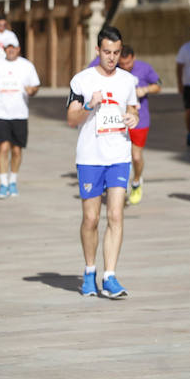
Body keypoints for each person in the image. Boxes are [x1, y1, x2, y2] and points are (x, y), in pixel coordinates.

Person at [66, 26, 140, 299]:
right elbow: (71, 119)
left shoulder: (128, 80)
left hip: (119, 155)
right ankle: (89, 271)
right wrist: (88, 105)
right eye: (107, 52)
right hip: (90, 157)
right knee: (91, 218)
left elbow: (132, 109)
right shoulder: (81, 80)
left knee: (116, 215)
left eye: (116, 53)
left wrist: (133, 118)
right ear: (97, 50)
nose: (112, 58)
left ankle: (109, 276)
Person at [89, 46, 162, 205]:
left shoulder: (144, 68)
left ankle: (136, 181)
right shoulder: (110, 68)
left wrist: (145, 89)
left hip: (139, 119)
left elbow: (158, 85)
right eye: (123, 63)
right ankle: (117, 186)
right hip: (115, 120)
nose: (126, 67)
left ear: (134, 58)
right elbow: (89, 75)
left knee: (136, 156)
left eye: (129, 63)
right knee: (116, 154)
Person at [0, 38, 40, 198]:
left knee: (16, 150)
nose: (11, 50)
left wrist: (31, 91)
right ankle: (3, 183)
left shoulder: (27, 66)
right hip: (0, 112)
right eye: (8, 48)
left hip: (20, 113)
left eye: (13, 47)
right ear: (4, 49)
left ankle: (13, 180)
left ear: (19, 48)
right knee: (3, 147)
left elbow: (36, 86)